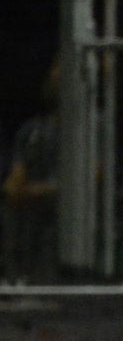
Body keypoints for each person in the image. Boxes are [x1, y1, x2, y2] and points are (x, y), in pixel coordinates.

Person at [2, 61, 57, 284]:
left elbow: (96, 176)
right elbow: (16, 175)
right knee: (8, 205)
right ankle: (12, 278)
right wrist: (14, 187)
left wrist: (41, 190)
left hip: (72, 203)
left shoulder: (95, 125)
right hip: (33, 202)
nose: (57, 74)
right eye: (54, 69)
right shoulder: (32, 129)